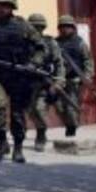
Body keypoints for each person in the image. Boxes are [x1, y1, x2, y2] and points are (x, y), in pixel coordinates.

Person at [0, 0, 51, 163]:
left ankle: (18, 148)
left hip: (19, 76)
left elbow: (41, 48)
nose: (2, 8)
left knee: (17, 114)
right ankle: (2, 142)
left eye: (6, 5)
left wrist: (34, 64)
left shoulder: (24, 26)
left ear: (12, 7)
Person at [25, 13, 65, 152]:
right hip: (26, 82)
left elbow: (59, 64)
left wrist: (58, 82)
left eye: (39, 27)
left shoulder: (50, 43)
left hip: (43, 82)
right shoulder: (23, 43)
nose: (37, 30)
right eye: (34, 27)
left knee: (39, 109)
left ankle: (41, 134)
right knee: (30, 111)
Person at [54, 15, 93, 137]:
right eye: (62, 26)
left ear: (73, 28)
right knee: (59, 107)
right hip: (59, 79)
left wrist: (87, 76)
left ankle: (71, 129)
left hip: (74, 79)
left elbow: (88, 61)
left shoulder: (80, 43)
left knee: (71, 106)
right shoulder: (55, 43)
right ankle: (69, 124)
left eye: (68, 26)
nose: (65, 29)